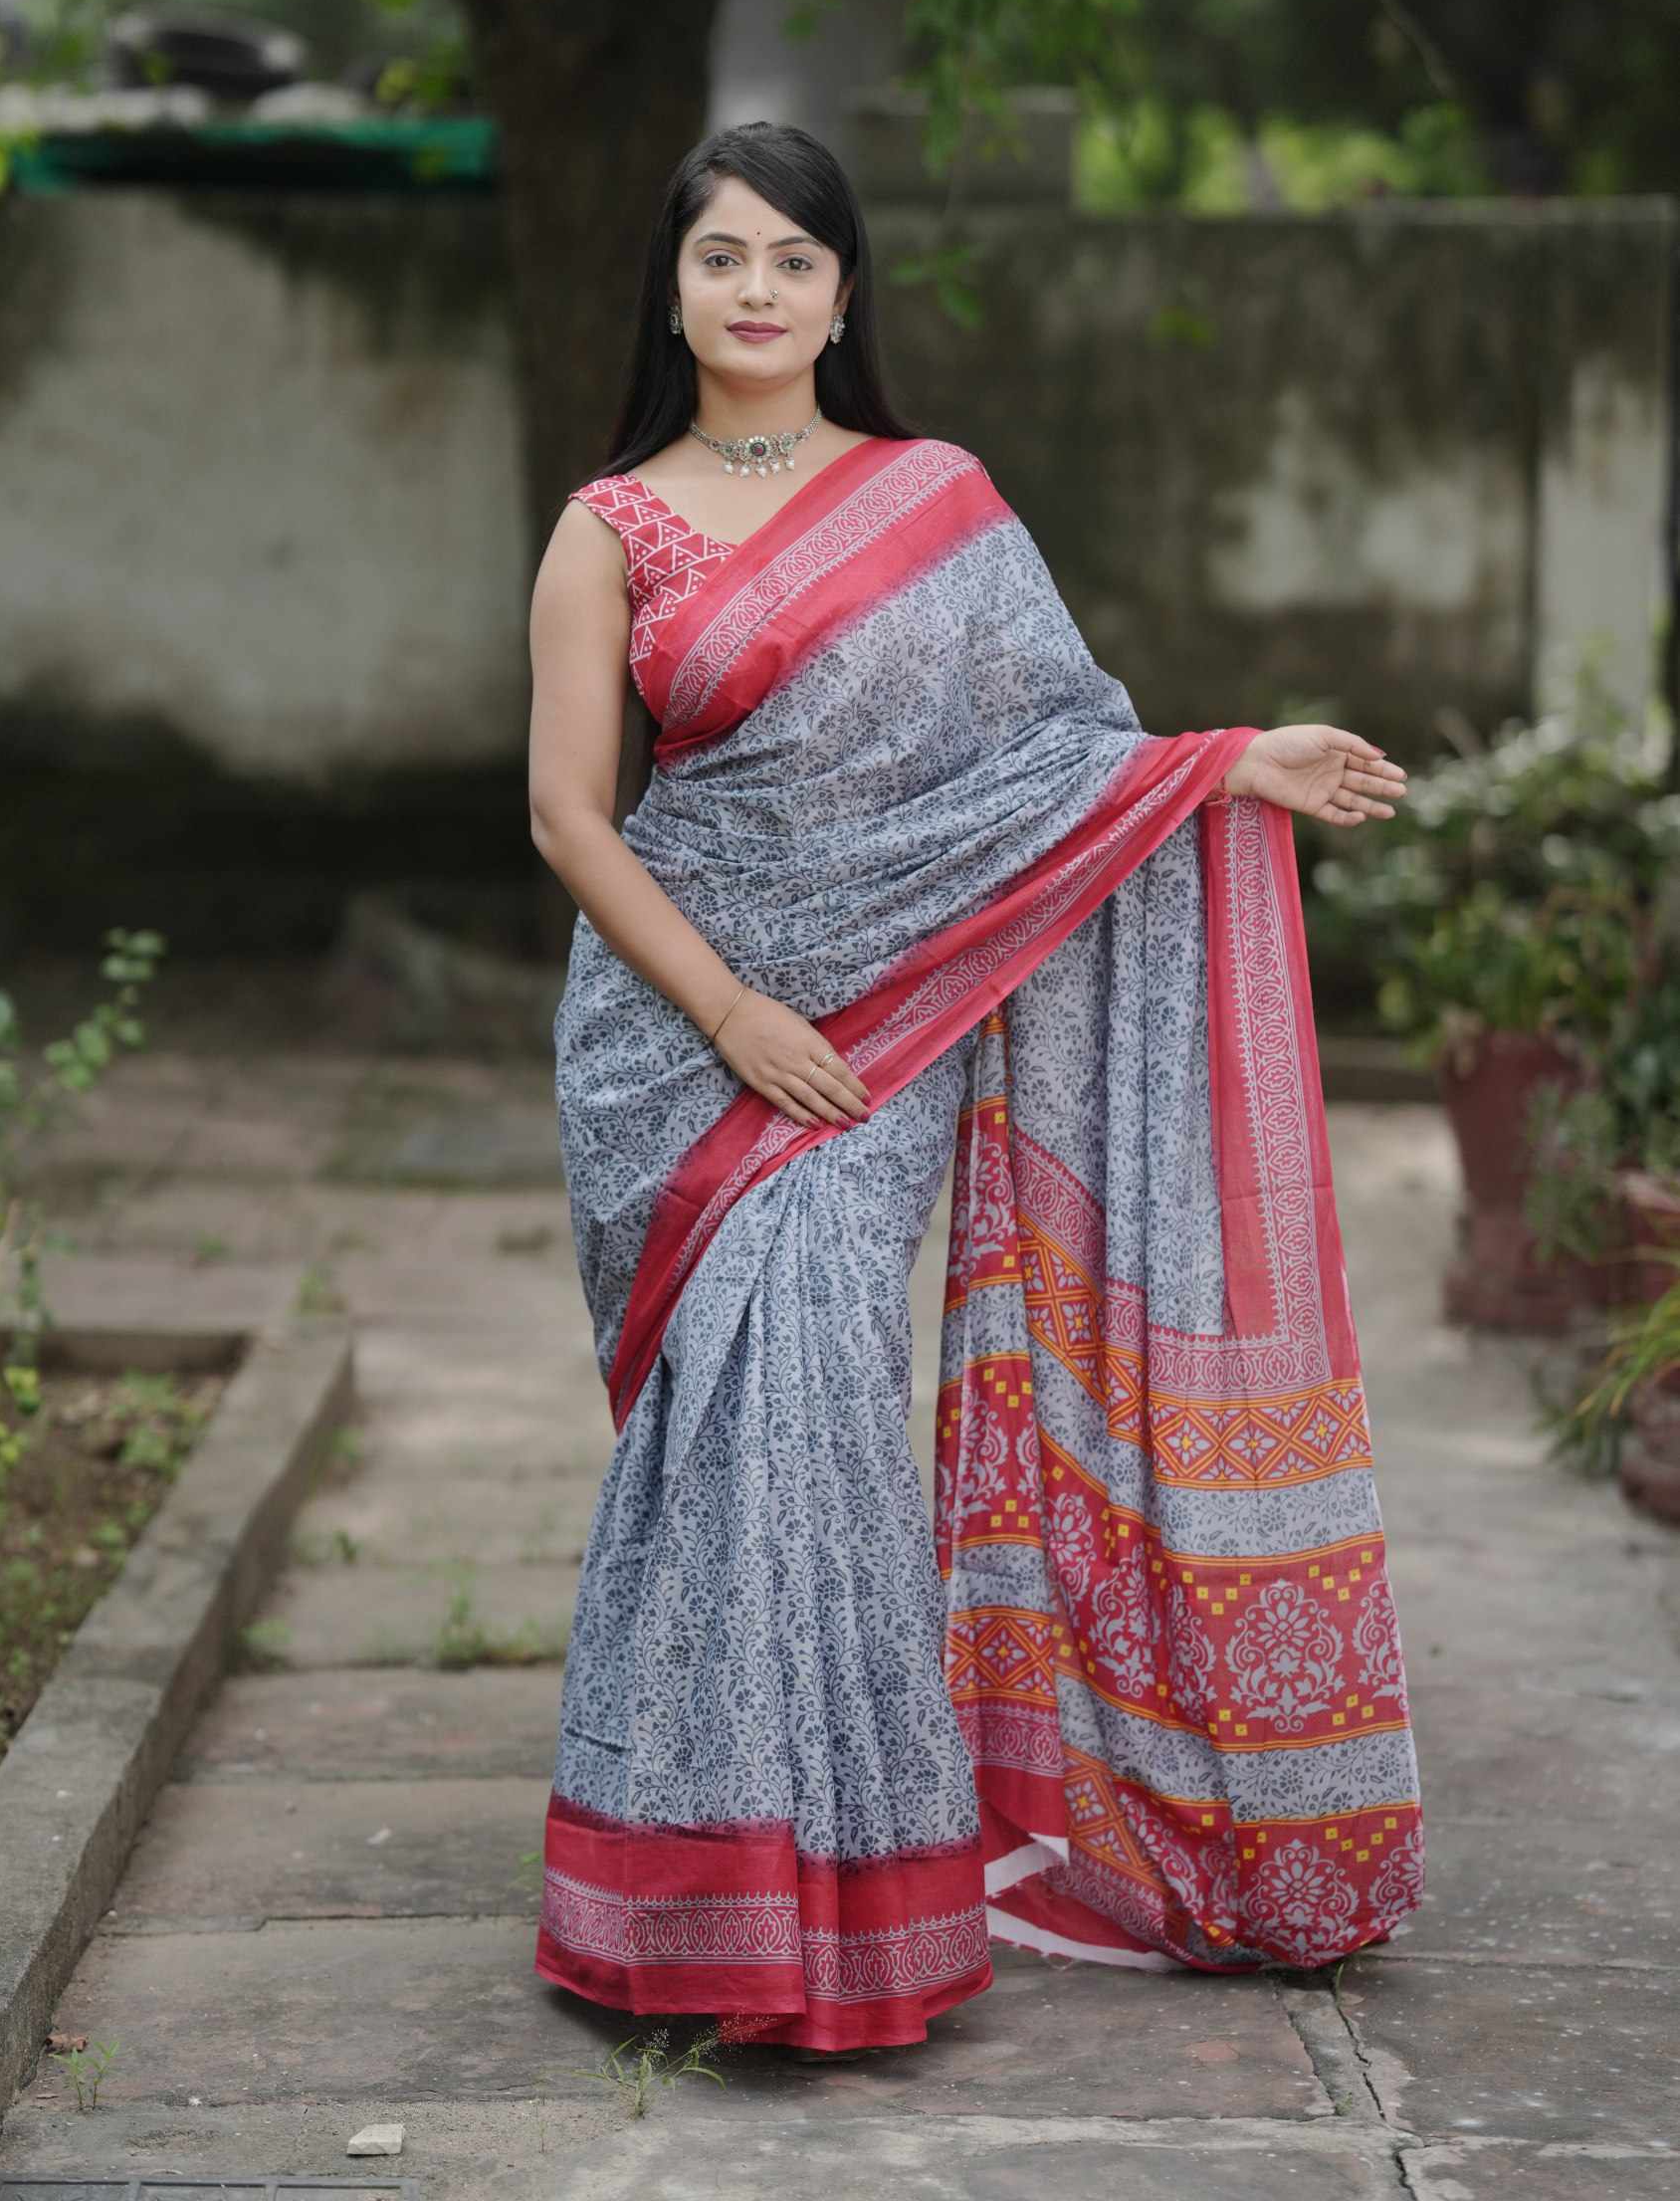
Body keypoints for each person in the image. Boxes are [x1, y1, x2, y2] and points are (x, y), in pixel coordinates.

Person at [525, 118, 1423, 2055]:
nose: (756, 288)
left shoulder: (936, 499)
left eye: (793, 257)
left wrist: (1225, 763)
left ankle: (833, 1899)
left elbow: (1048, 762)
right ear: (670, 290)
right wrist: (733, 1015)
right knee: (720, 1443)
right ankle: (694, 1897)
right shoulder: (609, 526)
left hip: (887, 1029)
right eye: (720, 255)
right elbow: (568, 817)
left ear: (842, 292)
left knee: (813, 1412)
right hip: (680, 1041)